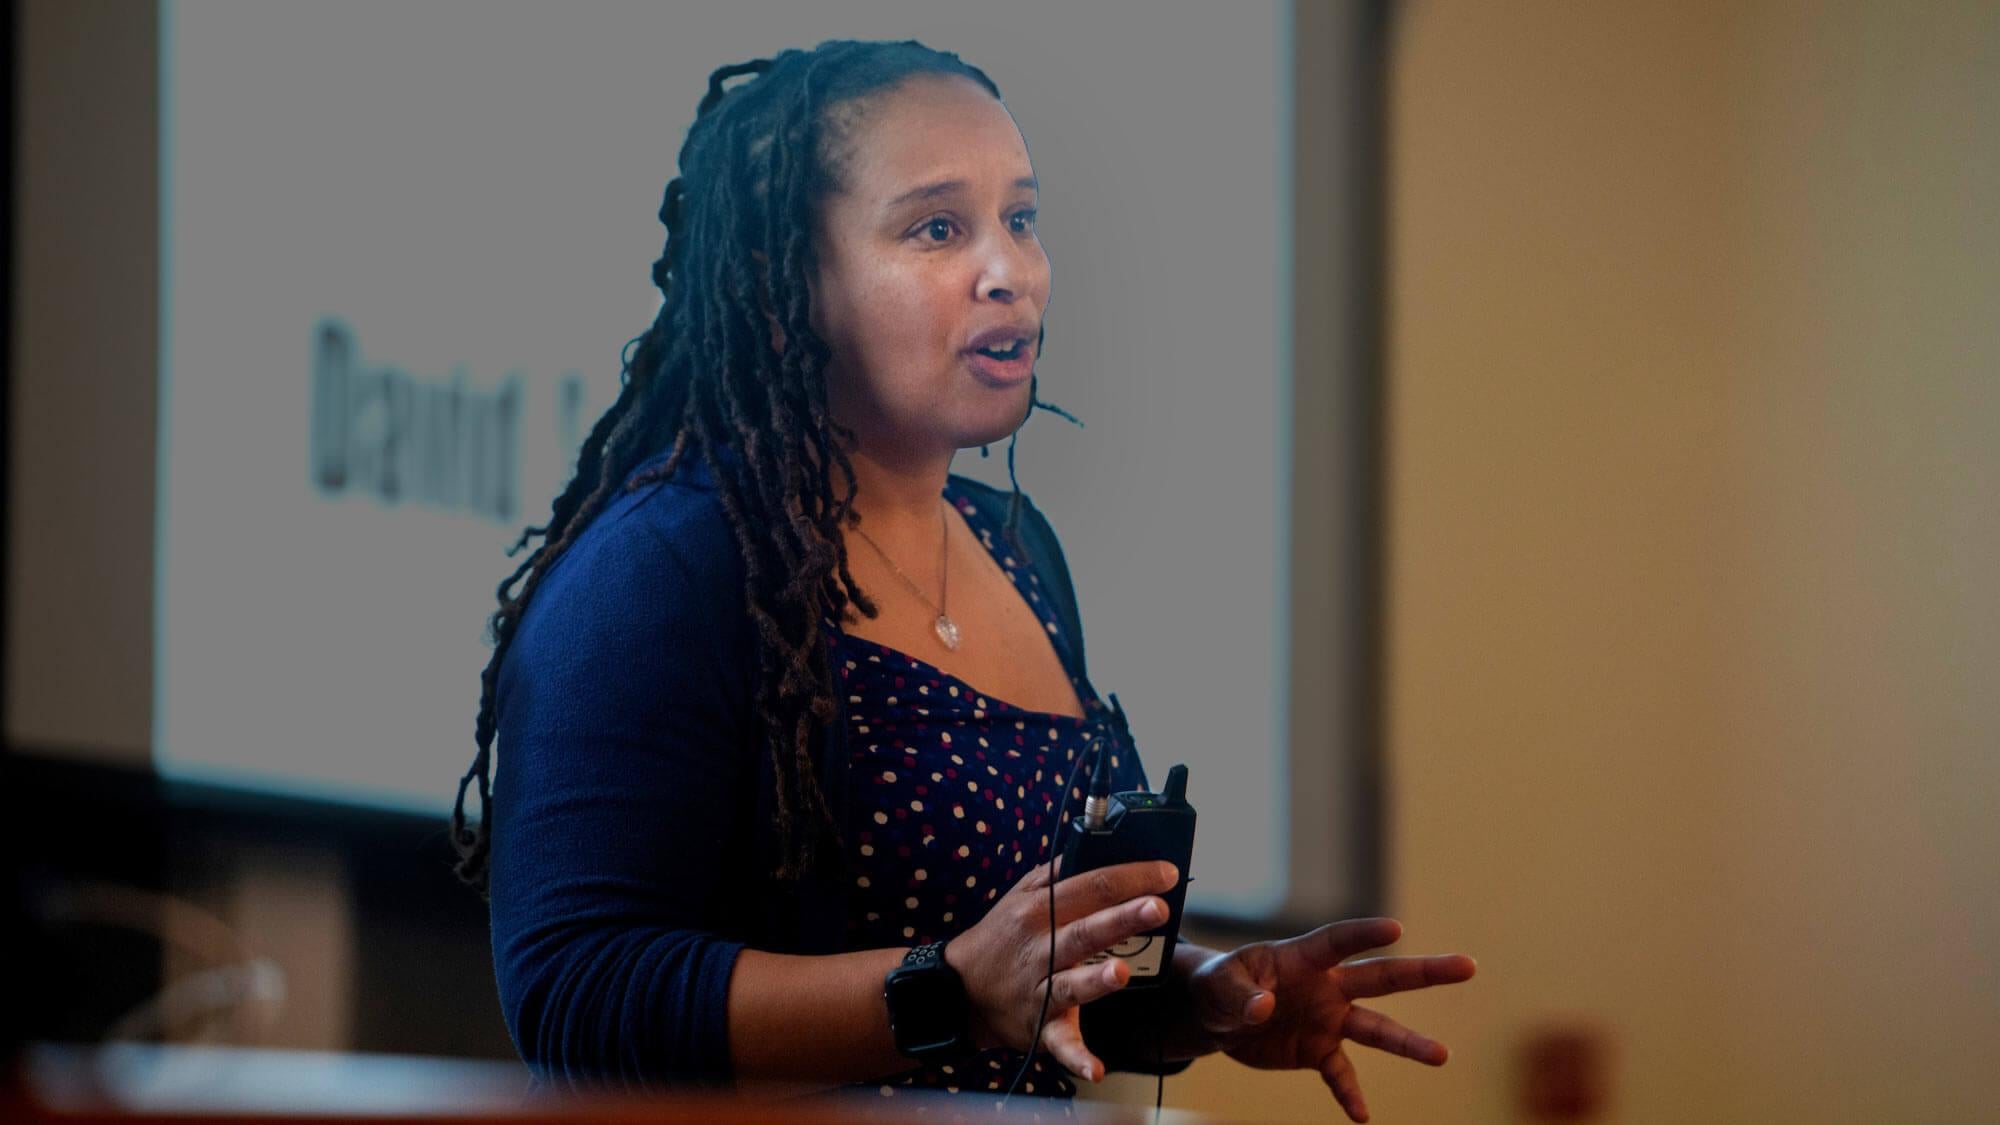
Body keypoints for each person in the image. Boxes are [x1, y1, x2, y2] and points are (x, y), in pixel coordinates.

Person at [450, 38, 1474, 1121]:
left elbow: (1020, 990)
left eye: (1020, 219)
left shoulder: (1020, 550)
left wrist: (1196, 999)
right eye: (937, 228)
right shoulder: (663, 566)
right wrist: (940, 989)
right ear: (792, 281)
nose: (1009, 271)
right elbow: (576, 1003)